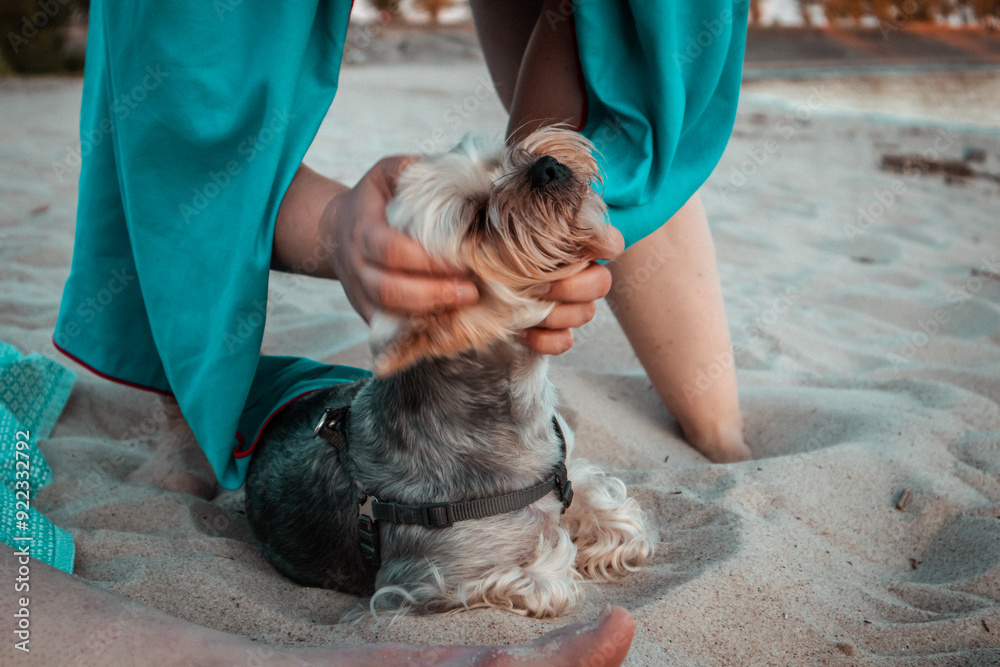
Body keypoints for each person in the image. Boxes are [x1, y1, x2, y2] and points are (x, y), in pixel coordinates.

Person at [43, 0, 750, 662]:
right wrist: (338, 225)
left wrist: (573, 162)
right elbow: (187, 106)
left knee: (617, 36)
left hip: (401, 416)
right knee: (197, 64)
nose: (532, 170)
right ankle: (188, 411)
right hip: (400, 447)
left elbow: (626, 50)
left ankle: (721, 427)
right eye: (480, 215)